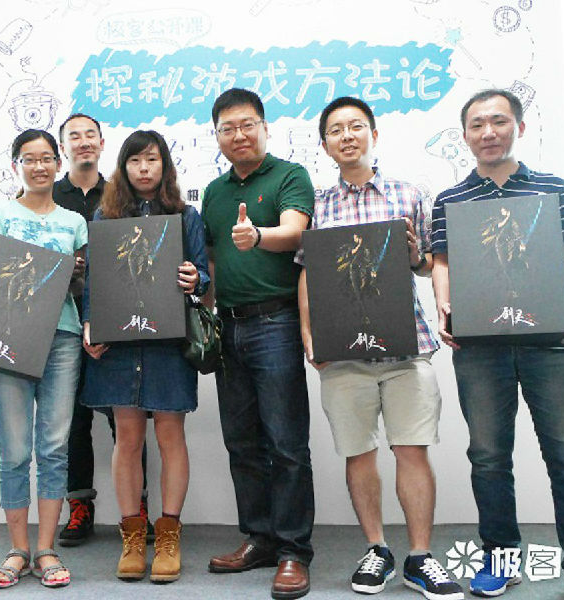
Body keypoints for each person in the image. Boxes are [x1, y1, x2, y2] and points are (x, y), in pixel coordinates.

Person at [430, 89, 564, 600]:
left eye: (498, 121)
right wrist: (444, 305)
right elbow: (442, 261)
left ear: (519, 126)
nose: (488, 132)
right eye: (477, 124)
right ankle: (501, 559)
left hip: (550, 341)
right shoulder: (450, 199)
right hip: (480, 345)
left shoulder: (551, 187)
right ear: (465, 135)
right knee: (488, 457)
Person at [297, 97, 463, 599]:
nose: (347, 136)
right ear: (324, 144)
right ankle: (376, 549)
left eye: (356, 126)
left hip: (405, 348)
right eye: (336, 130)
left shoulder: (409, 194)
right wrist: (309, 334)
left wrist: (415, 257)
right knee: (358, 452)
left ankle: (420, 556)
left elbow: (428, 263)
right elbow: (307, 273)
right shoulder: (318, 205)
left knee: (412, 449)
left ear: (374, 134)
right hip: (343, 353)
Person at [81, 129, 209, 583]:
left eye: (152, 159)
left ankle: (169, 533)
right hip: (120, 344)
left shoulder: (185, 216)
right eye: (135, 161)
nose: (143, 168)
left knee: (171, 435)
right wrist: (90, 322)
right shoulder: (105, 216)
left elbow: (203, 277)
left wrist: (195, 279)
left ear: (164, 165)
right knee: (128, 438)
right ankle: (133, 536)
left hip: (168, 342)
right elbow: (94, 280)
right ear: (123, 167)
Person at [202, 88, 315, 600]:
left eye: (247, 124)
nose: (238, 135)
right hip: (227, 326)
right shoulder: (213, 191)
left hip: (277, 323)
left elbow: (296, 231)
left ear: (265, 127)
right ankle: (260, 538)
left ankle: (293, 551)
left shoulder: (290, 175)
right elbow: (211, 258)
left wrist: (258, 236)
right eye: (227, 128)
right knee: (241, 442)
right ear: (217, 136)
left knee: (286, 443)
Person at [0, 128, 87, 589]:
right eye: (29, 159)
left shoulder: (75, 221)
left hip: (62, 337)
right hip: (9, 338)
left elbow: (80, 288)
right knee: (15, 449)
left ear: (59, 164)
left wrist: (77, 273)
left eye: (47, 158)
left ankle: (47, 549)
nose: (39, 166)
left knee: (54, 447)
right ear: (16, 165)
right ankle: (18, 549)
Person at [53, 113, 153, 546]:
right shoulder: (48, 194)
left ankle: (138, 506)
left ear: (102, 142)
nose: (83, 142)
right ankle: (79, 505)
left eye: (90, 135)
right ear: (63, 147)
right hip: (62, 320)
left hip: (117, 319)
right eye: (73, 136)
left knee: (126, 417)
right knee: (72, 418)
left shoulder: (120, 194)